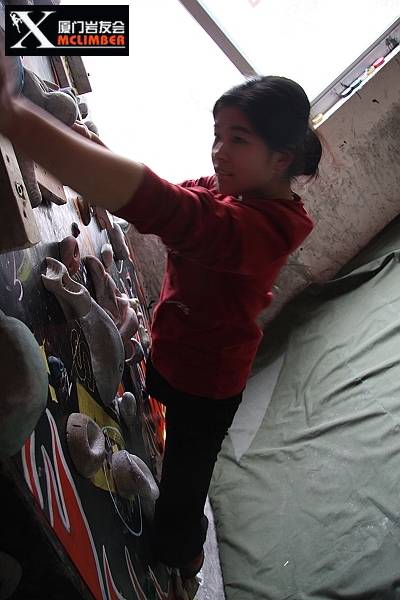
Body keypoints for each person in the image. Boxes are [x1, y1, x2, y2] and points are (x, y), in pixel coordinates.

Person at [0, 55, 321, 578]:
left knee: (183, 488)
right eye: (217, 134)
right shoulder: (230, 188)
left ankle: (183, 556)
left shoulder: (261, 230)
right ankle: (159, 436)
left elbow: (167, 209)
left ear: (281, 158)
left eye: (238, 139)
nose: (219, 150)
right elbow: (172, 195)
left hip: (211, 380)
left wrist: (18, 118)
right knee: (162, 398)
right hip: (179, 344)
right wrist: (84, 143)